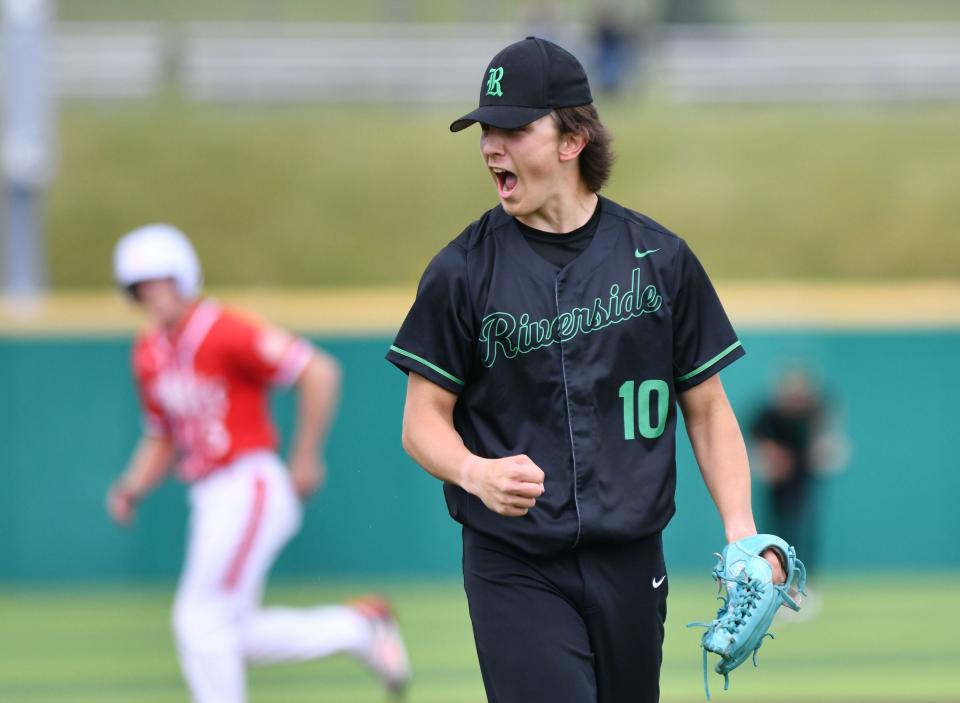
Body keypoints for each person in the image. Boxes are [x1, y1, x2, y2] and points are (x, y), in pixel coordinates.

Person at [386, 37, 784, 703]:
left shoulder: (660, 258)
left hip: (630, 561)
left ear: (572, 139)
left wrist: (741, 531)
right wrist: (475, 472)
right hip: (513, 562)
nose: (491, 145)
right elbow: (421, 421)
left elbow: (708, 408)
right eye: (486, 128)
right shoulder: (462, 271)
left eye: (513, 127)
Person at [107, 223, 411, 703]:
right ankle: (359, 627)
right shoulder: (147, 352)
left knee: (199, 620)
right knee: (228, 631)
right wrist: (132, 485)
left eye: (159, 281)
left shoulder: (222, 329)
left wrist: (306, 454)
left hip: (248, 484)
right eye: (140, 287)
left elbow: (318, 371)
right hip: (210, 494)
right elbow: (162, 436)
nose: (152, 295)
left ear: (183, 277)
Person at [751, 367, 845, 574]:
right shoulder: (769, 415)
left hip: (803, 480)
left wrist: (823, 452)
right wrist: (771, 457)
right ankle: (774, 575)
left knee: (804, 529)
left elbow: (828, 444)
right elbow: (758, 441)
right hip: (777, 483)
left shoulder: (813, 413)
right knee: (775, 530)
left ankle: (805, 577)